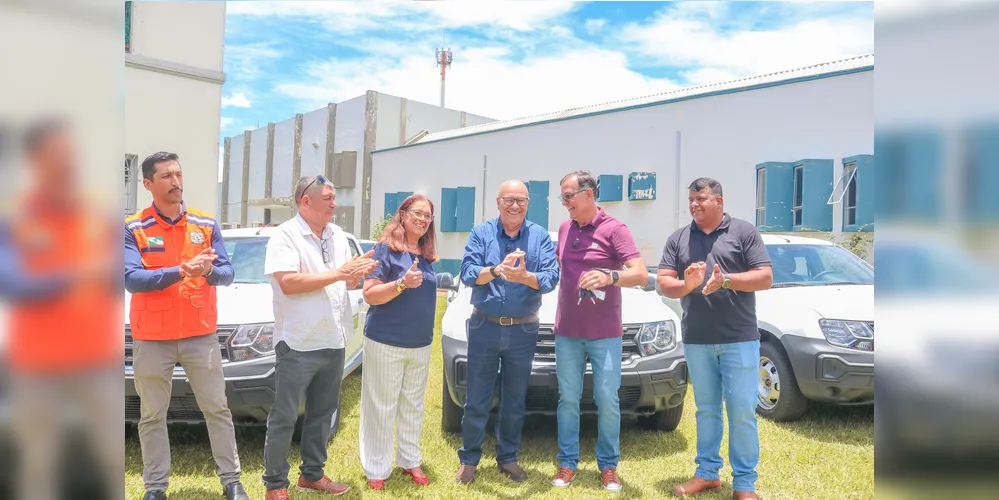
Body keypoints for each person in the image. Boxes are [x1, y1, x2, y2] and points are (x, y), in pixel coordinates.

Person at [0, 119, 122, 500]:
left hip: (97, 362)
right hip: (37, 365)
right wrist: (79, 273)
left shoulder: (98, 214)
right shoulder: (15, 218)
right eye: (57, 153)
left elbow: (120, 273)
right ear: (34, 159)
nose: (68, 161)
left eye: (71, 152)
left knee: (112, 458)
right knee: (38, 464)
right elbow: (14, 284)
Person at [123, 151, 249, 500]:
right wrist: (181, 270)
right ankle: (155, 487)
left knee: (217, 408)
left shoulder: (205, 224)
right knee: (152, 415)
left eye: (178, 174)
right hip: (152, 337)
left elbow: (227, 273)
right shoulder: (133, 228)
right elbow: (131, 279)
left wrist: (208, 270)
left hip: (200, 334)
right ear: (148, 183)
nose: (176, 181)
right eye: (166, 176)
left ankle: (232, 481)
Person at [261, 175, 377, 500]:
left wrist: (354, 274)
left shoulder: (336, 234)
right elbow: (288, 282)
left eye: (334, 197)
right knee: (285, 416)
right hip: (298, 342)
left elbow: (344, 281)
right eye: (327, 198)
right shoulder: (285, 235)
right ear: (305, 201)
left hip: (333, 338)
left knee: (323, 414)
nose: (334, 204)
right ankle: (275, 485)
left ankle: (311, 475)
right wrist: (340, 273)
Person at [657, 178, 773, 500]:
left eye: (701, 199)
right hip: (697, 339)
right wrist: (687, 286)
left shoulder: (744, 232)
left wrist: (726, 281)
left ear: (719, 201)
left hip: (738, 339)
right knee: (707, 410)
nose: (693, 204)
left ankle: (745, 484)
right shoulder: (679, 238)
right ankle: (707, 474)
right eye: (691, 200)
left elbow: (765, 277)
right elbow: (663, 282)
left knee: (741, 411)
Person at [455, 180, 560, 485]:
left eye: (521, 200)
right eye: (509, 200)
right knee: (477, 397)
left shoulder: (539, 236)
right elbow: (468, 273)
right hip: (484, 326)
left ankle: (508, 457)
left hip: (523, 329)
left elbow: (551, 277)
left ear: (528, 203)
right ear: (498, 202)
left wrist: (525, 277)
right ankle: (470, 459)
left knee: (514, 398)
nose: (515, 206)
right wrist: (496, 270)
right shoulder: (481, 233)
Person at [550, 171, 648, 492]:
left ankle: (608, 466)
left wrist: (610, 276)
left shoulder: (615, 229)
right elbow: (561, 268)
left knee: (607, 398)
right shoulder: (564, 229)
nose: (564, 203)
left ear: (589, 194)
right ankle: (567, 463)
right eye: (562, 197)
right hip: (567, 331)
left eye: (568, 196)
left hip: (605, 333)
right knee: (568, 398)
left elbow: (640, 273)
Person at [358, 194, 440, 490]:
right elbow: (370, 294)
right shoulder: (385, 249)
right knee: (381, 405)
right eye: (417, 213)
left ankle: (409, 460)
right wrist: (401, 283)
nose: (422, 219)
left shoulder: (426, 254)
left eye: (428, 216)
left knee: (412, 405)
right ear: (403, 215)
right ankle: (377, 467)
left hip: (420, 343)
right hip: (386, 341)